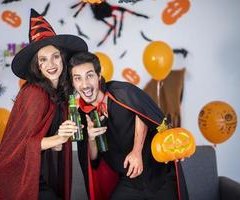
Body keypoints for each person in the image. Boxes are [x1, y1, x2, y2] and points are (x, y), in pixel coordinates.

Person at [0, 9, 87, 200]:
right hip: (17, 180)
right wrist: (58, 139)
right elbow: (23, 146)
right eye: (43, 59)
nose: (51, 64)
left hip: (36, 174)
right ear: (37, 65)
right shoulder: (35, 94)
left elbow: (48, 142)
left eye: (55, 56)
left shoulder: (60, 97)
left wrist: (65, 136)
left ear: (63, 58)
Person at [68, 52, 189, 200]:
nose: (85, 84)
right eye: (78, 78)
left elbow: (143, 113)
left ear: (99, 76)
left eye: (89, 75)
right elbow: (93, 160)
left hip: (160, 176)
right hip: (129, 182)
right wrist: (91, 138)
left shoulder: (122, 92)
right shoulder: (82, 115)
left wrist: (136, 151)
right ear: (73, 83)